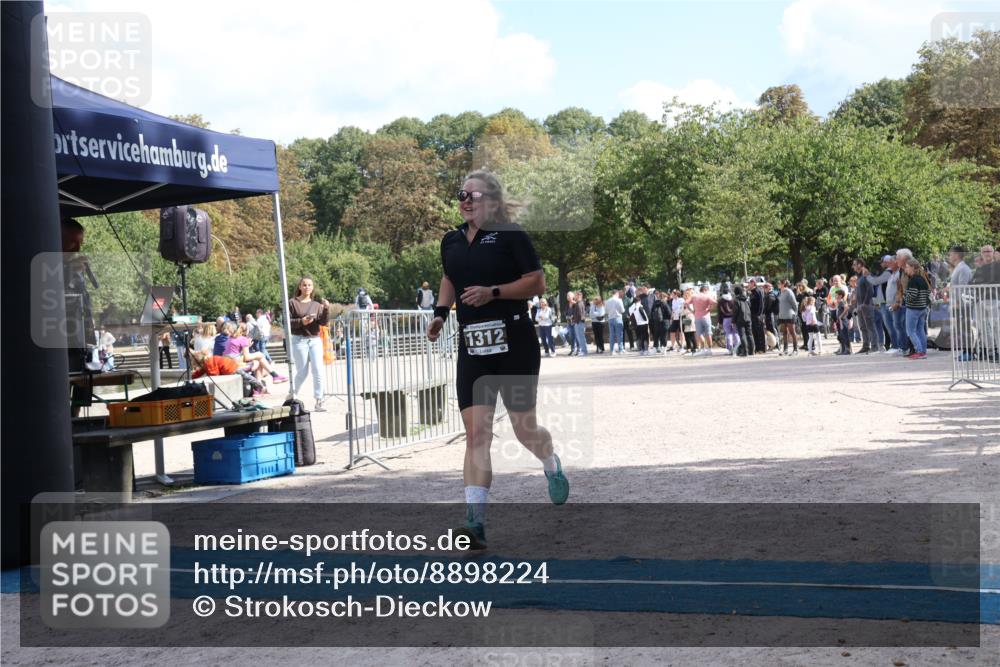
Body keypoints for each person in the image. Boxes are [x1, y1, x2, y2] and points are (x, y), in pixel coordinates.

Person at [426, 170, 569, 550]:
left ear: (491, 200)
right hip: (473, 348)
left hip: (515, 341)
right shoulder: (451, 240)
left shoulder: (511, 235)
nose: (466, 200)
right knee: (477, 433)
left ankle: (551, 462)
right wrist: (441, 313)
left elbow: (537, 282)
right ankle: (475, 523)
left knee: (525, 430)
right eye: (462, 194)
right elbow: (450, 278)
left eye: (473, 195)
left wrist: (494, 292)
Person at [290, 275, 332, 412]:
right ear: (300, 287)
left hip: (314, 339)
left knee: (318, 370)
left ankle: (319, 401)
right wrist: (302, 321)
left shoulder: (316, 304)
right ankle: (291, 396)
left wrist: (326, 308)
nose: (307, 287)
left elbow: (323, 323)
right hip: (299, 340)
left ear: (312, 288)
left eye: (309, 285)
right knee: (302, 372)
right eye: (304, 285)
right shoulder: (292, 303)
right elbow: (287, 324)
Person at [61, 218, 97, 373]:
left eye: (80, 243)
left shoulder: (74, 269)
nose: (77, 248)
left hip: (80, 340)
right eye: (72, 242)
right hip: (61, 341)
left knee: (83, 387)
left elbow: (83, 302)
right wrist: (69, 271)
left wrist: (90, 336)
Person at [903, 258, 932, 359]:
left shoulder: (913, 280)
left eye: (907, 267)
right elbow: (928, 293)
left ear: (912, 268)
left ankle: (919, 351)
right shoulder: (923, 279)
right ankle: (923, 351)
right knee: (920, 330)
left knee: (910, 331)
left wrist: (905, 296)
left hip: (913, 308)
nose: (905, 269)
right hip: (922, 308)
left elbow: (913, 295)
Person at [851, 259, 877, 354]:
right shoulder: (859, 277)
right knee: (862, 327)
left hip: (866, 306)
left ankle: (875, 346)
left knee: (870, 326)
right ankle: (866, 346)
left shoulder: (866, 275)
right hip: (860, 307)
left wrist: (865, 303)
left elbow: (870, 290)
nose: (853, 266)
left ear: (860, 264)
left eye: (854, 264)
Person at [691, 284, 717, 356]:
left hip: (697, 317)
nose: (708, 292)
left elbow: (686, 303)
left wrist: (692, 311)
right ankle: (710, 349)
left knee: (699, 334)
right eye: (707, 290)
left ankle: (703, 349)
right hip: (706, 317)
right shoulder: (707, 296)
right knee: (708, 333)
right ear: (705, 290)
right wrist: (710, 309)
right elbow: (715, 303)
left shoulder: (694, 296)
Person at [777, 279, 799, 355]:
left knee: (792, 332)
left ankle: (795, 350)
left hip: (789, 315)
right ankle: (785, 350)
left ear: (783, 284)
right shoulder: (781, 292)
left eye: (779, 283)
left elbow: (794, 304)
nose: (778, 284)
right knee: (784, 332)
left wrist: (795, 313)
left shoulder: (789, 292)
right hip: (782, 315)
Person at [732, 285, 754, 356]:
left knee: (742, 335)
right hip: (748, 318)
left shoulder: (736, 300)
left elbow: (735, 311)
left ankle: (745, 352)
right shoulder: (746, 298)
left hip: (740, 319)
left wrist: (733, 321)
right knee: (750, 334)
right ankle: (752, 351)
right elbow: (750, 307)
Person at [717, 283, 738, 355]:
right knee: (735, 333)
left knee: (728, 333)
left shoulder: (720, 300)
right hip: (733, 318)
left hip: (725, 319)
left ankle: (730, 348)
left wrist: (720, 322)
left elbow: (720, 312)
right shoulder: (733, 299)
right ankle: (737, 347)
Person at [748, 279, 766, 353]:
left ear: (753, 284)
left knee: (760, 332)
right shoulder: (752, 292)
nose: (748, 285)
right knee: (755, 332)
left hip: (757, 315)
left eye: (749, 283)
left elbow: (761, 303)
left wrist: (759, 314)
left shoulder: (758, 291)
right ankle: (757, 348)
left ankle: (761, 348)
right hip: (753, 315)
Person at [605, 290, 625, 354]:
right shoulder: (619, 300)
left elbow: (606, 311)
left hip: (610, 318)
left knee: (611, 335)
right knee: (619, 334)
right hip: (617, 317)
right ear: (617, 293)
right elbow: (622, 310)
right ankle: (621, 349)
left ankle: (612, 350)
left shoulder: (607, 301)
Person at [572, 291, 588, 356]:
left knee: (581, 337)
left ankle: (584, 351)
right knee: (580, 337)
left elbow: (580, 314)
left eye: (575, 295)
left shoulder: (579, 303)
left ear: (579, 296)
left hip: (579, 322)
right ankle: (583, 350)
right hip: (578, 322)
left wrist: (576, 321)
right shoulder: (578, 303)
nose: (574, 297)